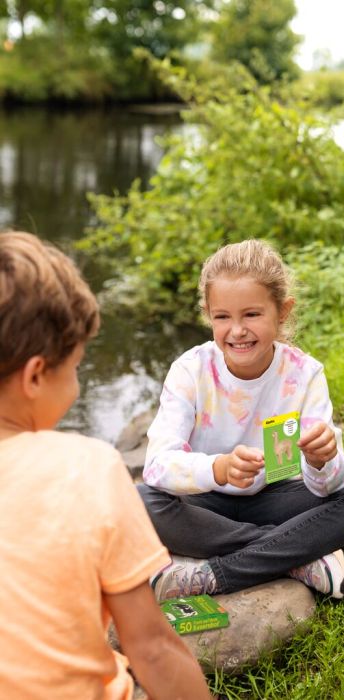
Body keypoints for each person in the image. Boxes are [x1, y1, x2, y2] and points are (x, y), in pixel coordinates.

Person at [0, 231, 212, 700]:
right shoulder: (86, 468)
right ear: (36, 374)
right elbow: (152, 648)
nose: (76, 384)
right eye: (75, 366)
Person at [139, 239, 344, 602]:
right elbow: (158, 466)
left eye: (251, 315)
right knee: (142, 501)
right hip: (207, 501)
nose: (237, 330)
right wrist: (218, 468)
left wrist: (323, 460)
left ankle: (213, 576)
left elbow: (330, 485)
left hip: (279, 496)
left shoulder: (304, 374)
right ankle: (296, 555)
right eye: (222, 317)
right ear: (209, 314)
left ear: (283, 311)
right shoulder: (190, 371)